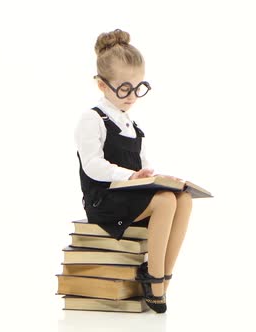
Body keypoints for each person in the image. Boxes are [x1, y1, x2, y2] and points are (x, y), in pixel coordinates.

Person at [74, 29, 193, 313]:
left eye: (138, 87)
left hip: (130, 197)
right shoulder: (93, 118)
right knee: (164, 201)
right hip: (104, 201)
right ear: (102, 85)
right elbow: (92, 166)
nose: (132, 96)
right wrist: (130, 176)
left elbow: (141, 165)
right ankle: (151, 279)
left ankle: (162, 279)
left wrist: (158, 178)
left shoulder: (131, 124)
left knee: (182, 198)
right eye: (124, 88)